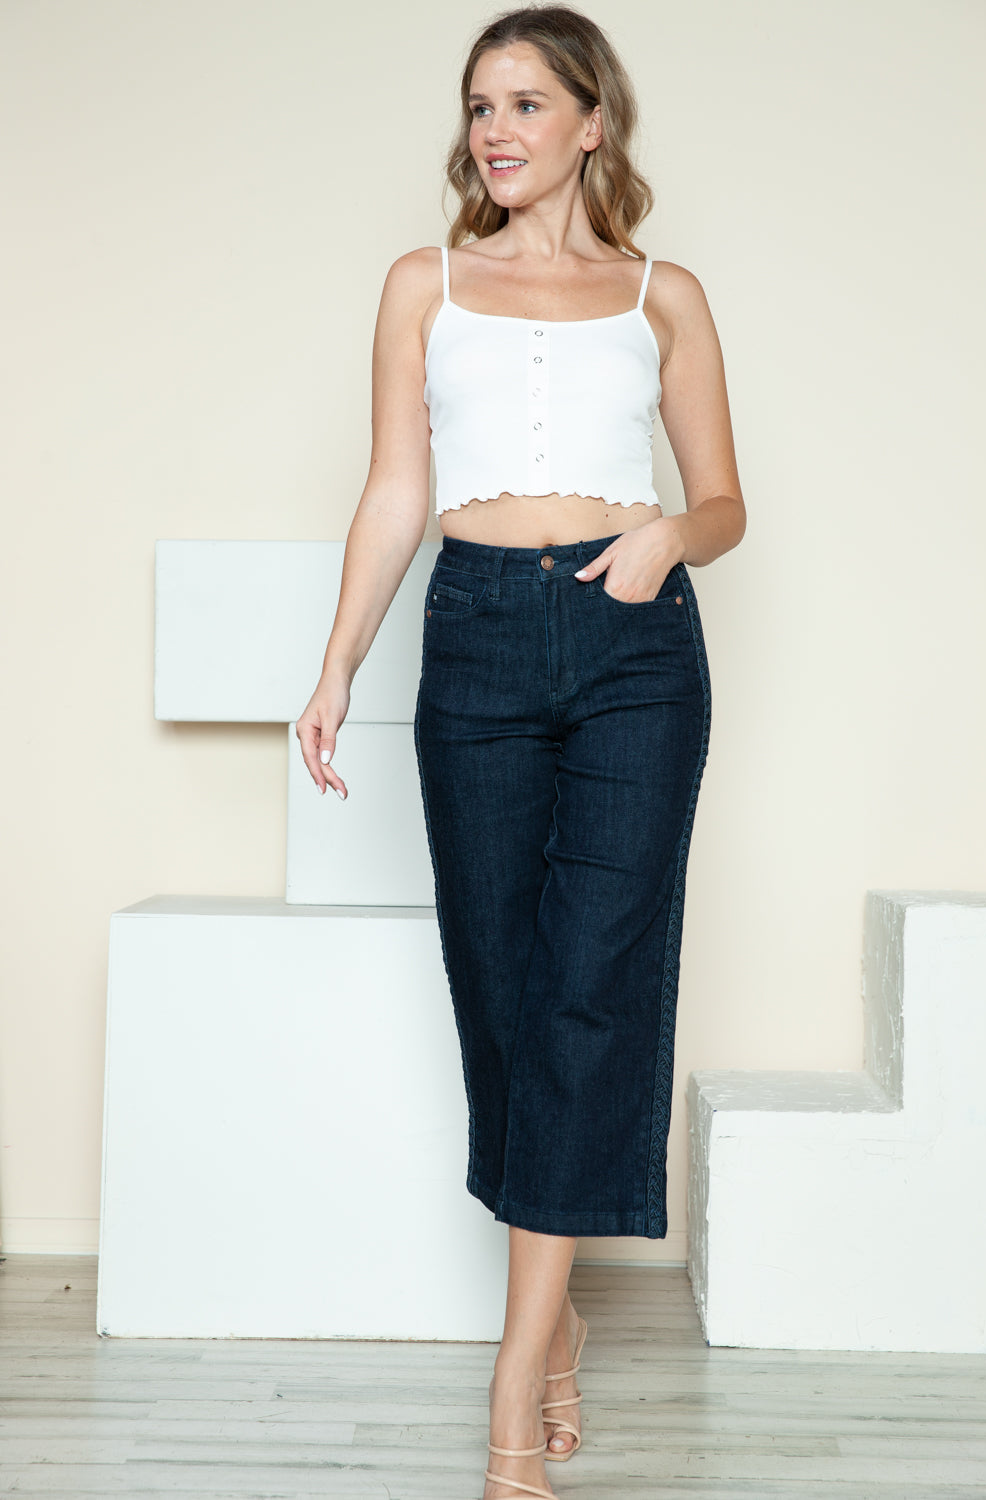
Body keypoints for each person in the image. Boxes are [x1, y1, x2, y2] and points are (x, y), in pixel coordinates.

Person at [296, 6, 745, 1496]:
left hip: (635, 646)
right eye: (480, 105)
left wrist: (668, 536)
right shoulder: (422, 284)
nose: (496, 130)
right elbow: (391, 487)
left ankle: (511, 1391)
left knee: (591, 987)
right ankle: (557, 1327)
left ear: (591, 122)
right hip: (478, 630)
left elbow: (727, 501)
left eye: (527, 104)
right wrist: (338, 660)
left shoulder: (661, 295)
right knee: (499, 975)